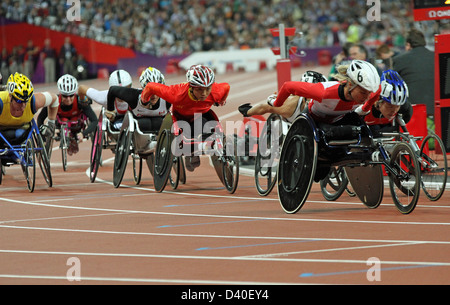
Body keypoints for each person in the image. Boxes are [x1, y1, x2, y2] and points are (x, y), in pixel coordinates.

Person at [268, 60, 382, 181]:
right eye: (363, 92)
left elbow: (377, 92)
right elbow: (287, 86)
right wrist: (276, 103)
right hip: (314, 122)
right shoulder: (323, 91)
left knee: (359, 125)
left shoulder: (369, 92)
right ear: (349, 84)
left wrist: (365, 109)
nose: (366, 97)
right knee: (317, 175)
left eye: (368, 93)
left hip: (337, 120)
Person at [138, 64, 230, 171]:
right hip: (180, 118)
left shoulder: (216, 91)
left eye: (207, 89)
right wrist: (144, 101)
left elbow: (226, 87)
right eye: (199, 89)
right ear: (191, 87)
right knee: (186, 133)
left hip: (200, 116)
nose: (204, 93)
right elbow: (150, 86)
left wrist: (221, 101)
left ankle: (193, 151)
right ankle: (191, 152)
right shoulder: (176, 93)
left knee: (202, 127)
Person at [37, 74, 98, 155]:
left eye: (71, 95)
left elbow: (94, 120)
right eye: (65, 96)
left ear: (75, 93)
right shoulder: (54, 101)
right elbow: (40, 118)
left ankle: (73, 140)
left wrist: (84, 133)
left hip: (77, 125)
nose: (68, 99)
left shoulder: (80, 101)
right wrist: (43, 138)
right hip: (60, 124)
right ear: (61, 94)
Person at [239, 70, 328, 123]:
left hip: (297, 121)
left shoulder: (292, 103)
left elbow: (264, 107)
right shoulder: (329, 101)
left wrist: (247, 111)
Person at [0, 72, 59, 150]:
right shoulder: (1, 101)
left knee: (19, 133)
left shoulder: (34, 102)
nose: (23, 105)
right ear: (10, 95)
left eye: (26, 101)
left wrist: (51, 122)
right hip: (1, 134)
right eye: (19, 101)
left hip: (22, 132)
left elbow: (54, 99)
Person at [104, 66, 170, 134]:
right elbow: (112, 90)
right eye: (150, 92)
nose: (154, 95)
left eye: (157, 91)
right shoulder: (134, 96)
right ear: (143, 88)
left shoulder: (168, 97)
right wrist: (110, 110)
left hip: (160, 131)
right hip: (138, 129)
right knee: (145, 123)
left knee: (161, 123)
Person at [393, 28, 434, 117]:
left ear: (408, 45)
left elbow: (393, 85)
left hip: (413, 113)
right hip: (437, 111)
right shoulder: (436, 57)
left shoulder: (399, 60)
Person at [364, 69, 412, 135]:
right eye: (390, 106)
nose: (394, 111)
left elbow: (405, 121)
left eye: (397, 106)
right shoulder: (366, 103)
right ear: (377, 101)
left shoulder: (404, 107)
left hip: (386, 127)